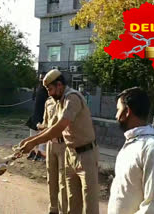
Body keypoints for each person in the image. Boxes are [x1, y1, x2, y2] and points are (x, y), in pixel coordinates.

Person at [20, 69, 99, 214]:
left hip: (86, 155)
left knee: (90, 205)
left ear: (59, 85)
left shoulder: (72, 99)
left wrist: (33, 143)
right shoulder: (59, 101)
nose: (49, 93)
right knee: (71, 205)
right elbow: (51, 127)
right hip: (70, 154)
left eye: (50, 89)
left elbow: (59, 127)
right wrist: (30, 140)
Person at [108, 87, 154, 214]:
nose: (116, 115)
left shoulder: (152, 148)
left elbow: (152, 206)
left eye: (118, 110)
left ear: (127, 111)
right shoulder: (133, 142)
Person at [37, 95, 68, 214]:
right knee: (51, 179)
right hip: (51, 144)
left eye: (51, 87)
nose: (49, 90)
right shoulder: (48, 102)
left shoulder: (68, 100)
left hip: (64, 145)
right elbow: (46, 123)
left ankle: (63, 210)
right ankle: (53, 208)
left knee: (63, 181)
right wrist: (40, 127)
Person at [25, 72, 48, 161]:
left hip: (43, 115)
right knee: (32, 135)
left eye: (43, 78)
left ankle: (41, 153)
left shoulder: (48, 90)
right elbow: (33, 98)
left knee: (42, 135)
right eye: (40, 78)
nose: (41, 80)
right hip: (35, 114)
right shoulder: (37, 88)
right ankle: (33, 151)